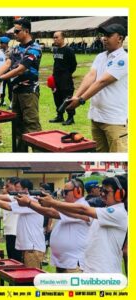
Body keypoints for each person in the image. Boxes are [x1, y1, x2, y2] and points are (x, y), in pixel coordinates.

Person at [37, 176, 128, 273]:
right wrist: (53, 204)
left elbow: (82, 209)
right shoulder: (104, 211)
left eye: (106, 192)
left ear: (120, 194)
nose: (102, 194)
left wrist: (53, 202)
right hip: (91, 271)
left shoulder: (118, 212)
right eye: (102, 190)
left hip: (105, 273)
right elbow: (78, 214)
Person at [66, 24, 128, 152]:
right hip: (97, 116)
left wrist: (81, 100)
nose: (104, 38)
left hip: (114, 119)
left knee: (119, 158)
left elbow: (102, 81)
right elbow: (91, 76)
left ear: (120, 38)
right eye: (104, 35)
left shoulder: (125, 59)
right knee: (101, 154)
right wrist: (76, 96)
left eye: (109, 35)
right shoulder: (101, 56)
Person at [0, 18, 42, 152]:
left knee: (32, 126)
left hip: (29, 91)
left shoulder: (34, 48)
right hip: (16, 91)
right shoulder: (16, 48)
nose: (14, 34)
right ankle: (19, 157)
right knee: (17, 125)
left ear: (26, 31)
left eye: (17, 31)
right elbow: (8, 63)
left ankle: (40, 159)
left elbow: (20, 69)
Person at [16, 179, 91, 273]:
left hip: (73, 263)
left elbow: (51, 212)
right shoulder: (68, 205)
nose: (63, 195)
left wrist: (29, 203)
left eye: (66, 192)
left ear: (78, 191)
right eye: (63, 192)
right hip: (63, 262)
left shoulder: (81, 206)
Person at [0, 179, 45, 268]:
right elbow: (6, 198)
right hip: (28, 247)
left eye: (18, 189)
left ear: (25, 190)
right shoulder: (24, 199)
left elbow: (8, 206)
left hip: (32, 248)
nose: (15, 191)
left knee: (32, 278)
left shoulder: (30, 201)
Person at [49, 31, 77, 125]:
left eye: (57, 37)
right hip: (56, 78)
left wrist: (67, 74)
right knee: (57, 97)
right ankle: (60, 116)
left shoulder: (69, 50)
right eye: (54, 37)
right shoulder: (56, 50)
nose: (55, 39)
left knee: (67, 98)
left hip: (65, 79)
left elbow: (74, 65)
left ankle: (70, 117)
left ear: (63, 38)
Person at [0, 36, 12, 108]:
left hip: (9, 72)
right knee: (1, 87)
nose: (0, 44)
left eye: (1, 43)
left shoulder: (11, 51)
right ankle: (2, 100)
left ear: (6, 44)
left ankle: (12, 102)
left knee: (10, 88)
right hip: (2, 72)